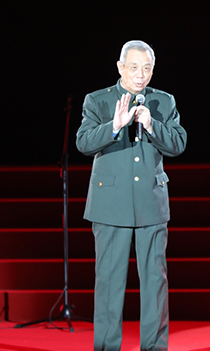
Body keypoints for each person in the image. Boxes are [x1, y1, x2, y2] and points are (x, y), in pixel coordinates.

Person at [76, 40, 187, 351]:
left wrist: (152, 125)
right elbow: (83, 143)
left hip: (151, 202)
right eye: (135, 67)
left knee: (155, 283)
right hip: (110, 205)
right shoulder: (97, 100)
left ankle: (154, 347)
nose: (141, 74)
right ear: (120, 67)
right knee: (109, 284)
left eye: (147, 68)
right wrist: (114, 125)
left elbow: (178, 144)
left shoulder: (163, 100)